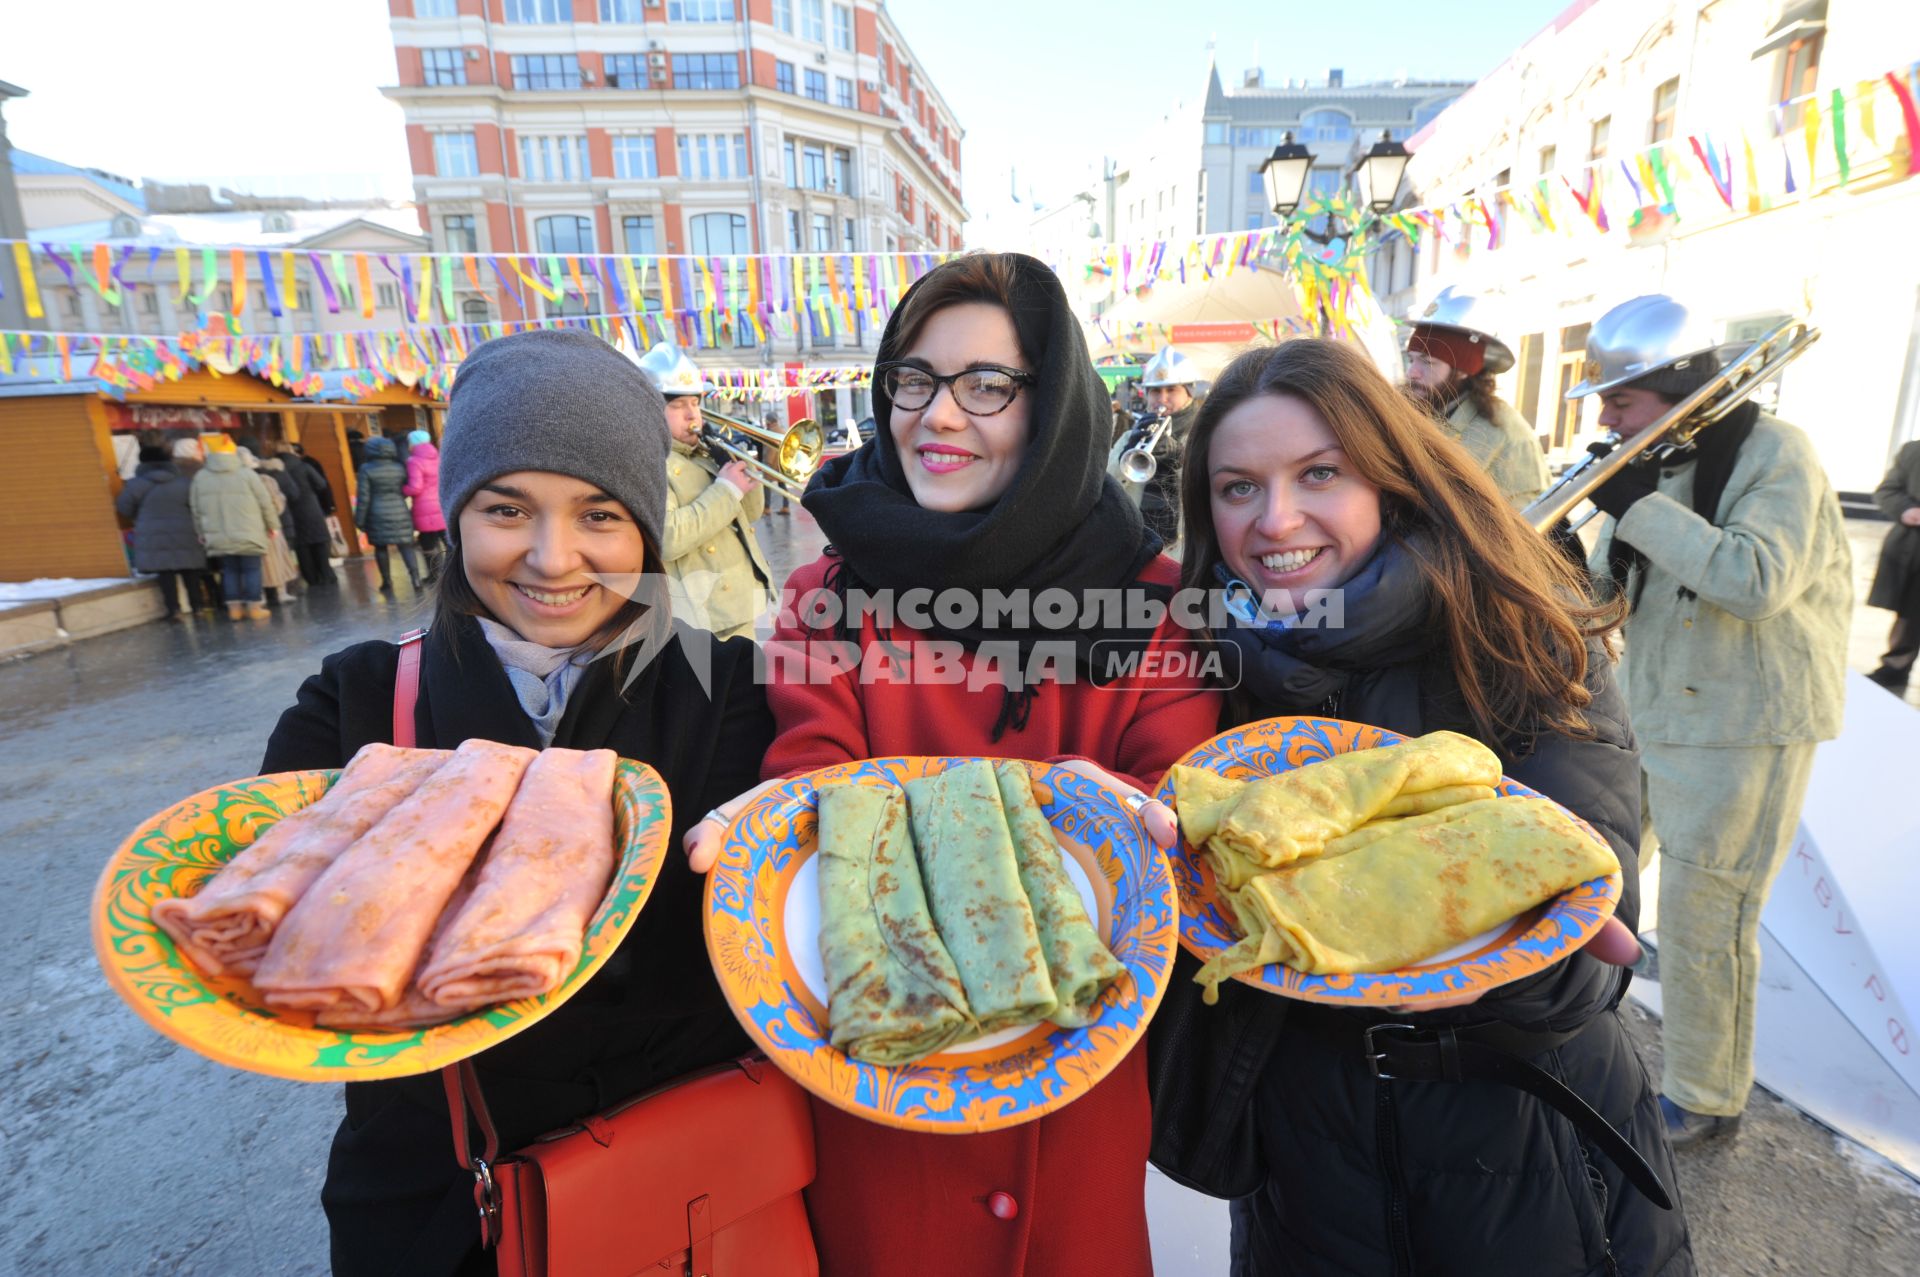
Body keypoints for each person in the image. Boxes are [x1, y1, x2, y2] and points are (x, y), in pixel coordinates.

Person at [685, 252, 1220, 1276]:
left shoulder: (1153, 597)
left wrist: (1149, 814)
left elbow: (1178, 803)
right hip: (881, 1099)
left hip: (1078, 1082)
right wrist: (784, 815)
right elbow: (817, 777)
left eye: (985, 386)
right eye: (914, 380)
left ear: (1053, 402)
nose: (936, 415)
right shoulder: (827, 595)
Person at [1170, 337, 1691, 1275]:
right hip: (1307, 1171)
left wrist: (1532, 955)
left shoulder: (1518, 634)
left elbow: (1584, 946)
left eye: (1318, 472)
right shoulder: (1202, 670)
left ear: (1391, 476)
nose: (1275, 517)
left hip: (1523, 1158)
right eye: (1237, 486)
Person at [260, 328, 772, 1276]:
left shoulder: (732, 689)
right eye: (507, 508)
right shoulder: (359, 702)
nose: (552, 557)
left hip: (690, 1191)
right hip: (439, 1205)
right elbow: (282, 941)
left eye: (600, 515)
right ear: (455, 515)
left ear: (647, 531)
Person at [1571, 294, 1851, 1146]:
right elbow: (1615, 592)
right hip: (1651, 709)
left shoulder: (1777, 455)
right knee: (1595, 875)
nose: (1607, 417)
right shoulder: (1663, 462)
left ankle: (1704, 1095)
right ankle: (1583, 1036)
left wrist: (1636, 501)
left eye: (1620, 401)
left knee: (1705, 916)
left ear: (1674, 387)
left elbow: (1755, 578)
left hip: (1743, 724)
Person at [636, 341, 773, 641]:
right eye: (677, 404)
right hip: (703, 616)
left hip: (740, 604)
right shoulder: (650, 460)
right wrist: (726, 489)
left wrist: (746, 477)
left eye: (695, 403)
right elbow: (667, 538)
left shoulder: (705, 453)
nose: (692, 414)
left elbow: (749, 515)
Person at [1403, 286, 1551, 509]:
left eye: (1428, 362)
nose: (1411, 373)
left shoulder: (1498, 428)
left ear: (1462, 369)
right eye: (1411, 360)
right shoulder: (1434, 409)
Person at [1120, 345, 1205, 545]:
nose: (1162, 399)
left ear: (1189, 393)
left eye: (1171, 390)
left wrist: (1179, 455)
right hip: (1137, 542)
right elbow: (1107, 486)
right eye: (1155, 391)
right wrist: (1125, 454)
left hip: (1184, 546)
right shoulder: (1130, 435)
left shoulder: (1204, 434)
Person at [189, 435, 280, 621]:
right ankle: (254, 608)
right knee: (252, 569)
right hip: (250, 532)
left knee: (229, 570)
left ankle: (234, 610)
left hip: (219, 535)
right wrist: (273, 525)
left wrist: (201, 532)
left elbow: (196, 508)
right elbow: (265, 502)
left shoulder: (201, 477)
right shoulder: (247, 474)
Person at [116, 443, 210, 618]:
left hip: (152, 534)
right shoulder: (184, 483)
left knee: (165, 573)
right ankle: (197, 606)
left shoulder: (136, 485)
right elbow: (198, 506)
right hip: (185, 531)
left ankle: (173, 609)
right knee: (190, 570)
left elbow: (124, 508)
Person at [1866, 439, 1920, 695]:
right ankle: (1896, 668)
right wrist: (1906, 510)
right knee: (1910, 613)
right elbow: (1887, 490)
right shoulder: (1914, 452)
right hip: (1913, 551)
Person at [355, 434, 423, 594]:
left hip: (376, 513)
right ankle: (416, 578)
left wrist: (359, 520)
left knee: (381, 548)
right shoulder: (399, 467)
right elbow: (405, 488)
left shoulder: (366, 469)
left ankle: (386, 581)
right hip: (400, 510)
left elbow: (364, 497)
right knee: (406, 546)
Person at [242, 447, 303, 607]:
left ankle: (259, 595)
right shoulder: (266, 480)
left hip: (247, 529)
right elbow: (277, 505)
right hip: (270, 527)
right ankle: (281, 592)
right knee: (276, 560)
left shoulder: (233, 483)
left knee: (254, 563)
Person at [268, 444, 335, 587]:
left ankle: (310, 578)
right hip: (312, 509)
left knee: (301, 546)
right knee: (320, 541)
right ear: (292, 452)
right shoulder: (304, 466)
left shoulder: (275, 470)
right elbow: (321, 484)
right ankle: (325, 574)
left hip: (291, 512)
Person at [402, 428, 449, 583]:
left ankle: (435, 575)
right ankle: (452, 573)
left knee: (428, 543)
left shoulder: (414, 461)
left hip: (424, 508)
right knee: (448, 541)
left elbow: (416, 487)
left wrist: (402, 490)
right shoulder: (438, 457)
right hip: (441, 505)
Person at [759, 408, 792, 516]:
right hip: (781, 464)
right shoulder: (783, 430)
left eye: (766, 421)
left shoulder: (772, 432)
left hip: (771, 464)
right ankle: (786, 506)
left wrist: (766, 464)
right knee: (782, 485)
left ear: (769, 421)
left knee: (766, 486)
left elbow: (771, 450)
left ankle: (767, 508)